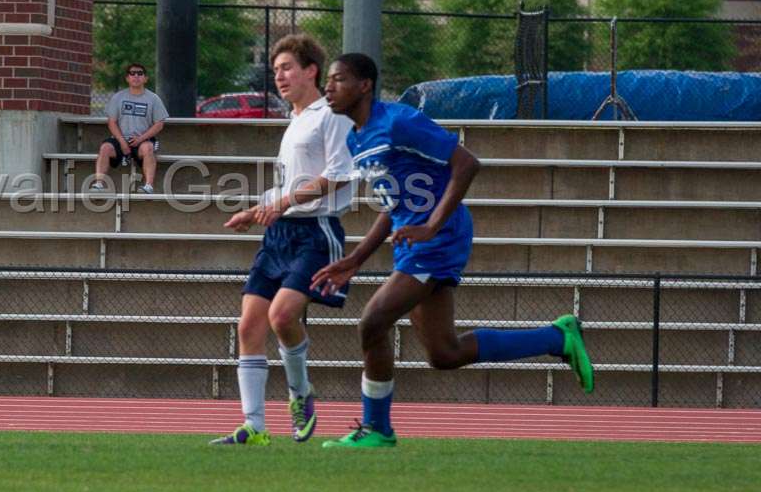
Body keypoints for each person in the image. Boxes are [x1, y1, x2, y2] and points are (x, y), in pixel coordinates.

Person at [311, 53, 594, 449]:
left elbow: (466, 164)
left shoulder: (399, 121)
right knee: (445, 353)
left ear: (364, 86)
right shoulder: (356, 138)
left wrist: (432, 225)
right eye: (328, 80)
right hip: (417, 241)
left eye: (338, 79)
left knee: (372, 322)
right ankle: (556, 338)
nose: (328, 87)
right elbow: (394, 207)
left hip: (439, 239)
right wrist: (356, 259)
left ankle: (377, 429)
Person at [210, 34, 355, 446]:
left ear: (312, 70)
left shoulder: (331, 115)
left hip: (316, 231)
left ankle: (300, 394)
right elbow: (285, 186)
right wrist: (256, 211)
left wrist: (286, 202)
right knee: (249, 325)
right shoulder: (294, 120)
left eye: (287, 67)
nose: (280, 76)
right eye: (275, 70)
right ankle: (254, 426)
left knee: (282, 317)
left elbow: (338, 175)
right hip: (279, 235)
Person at [94, 64, 168, 194]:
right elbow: (112, 122)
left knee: (148, 148)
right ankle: (98, 184)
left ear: (145, 78)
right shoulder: (118, 97)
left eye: (140, 73)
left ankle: (148, 186)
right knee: (105, 148)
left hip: (142, 140)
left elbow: (159, 124)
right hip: (120, 139)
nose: (136, 76)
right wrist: (122, 142)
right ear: (127, 78)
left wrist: (140, 139)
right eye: (132, 73)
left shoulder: (153, 99)